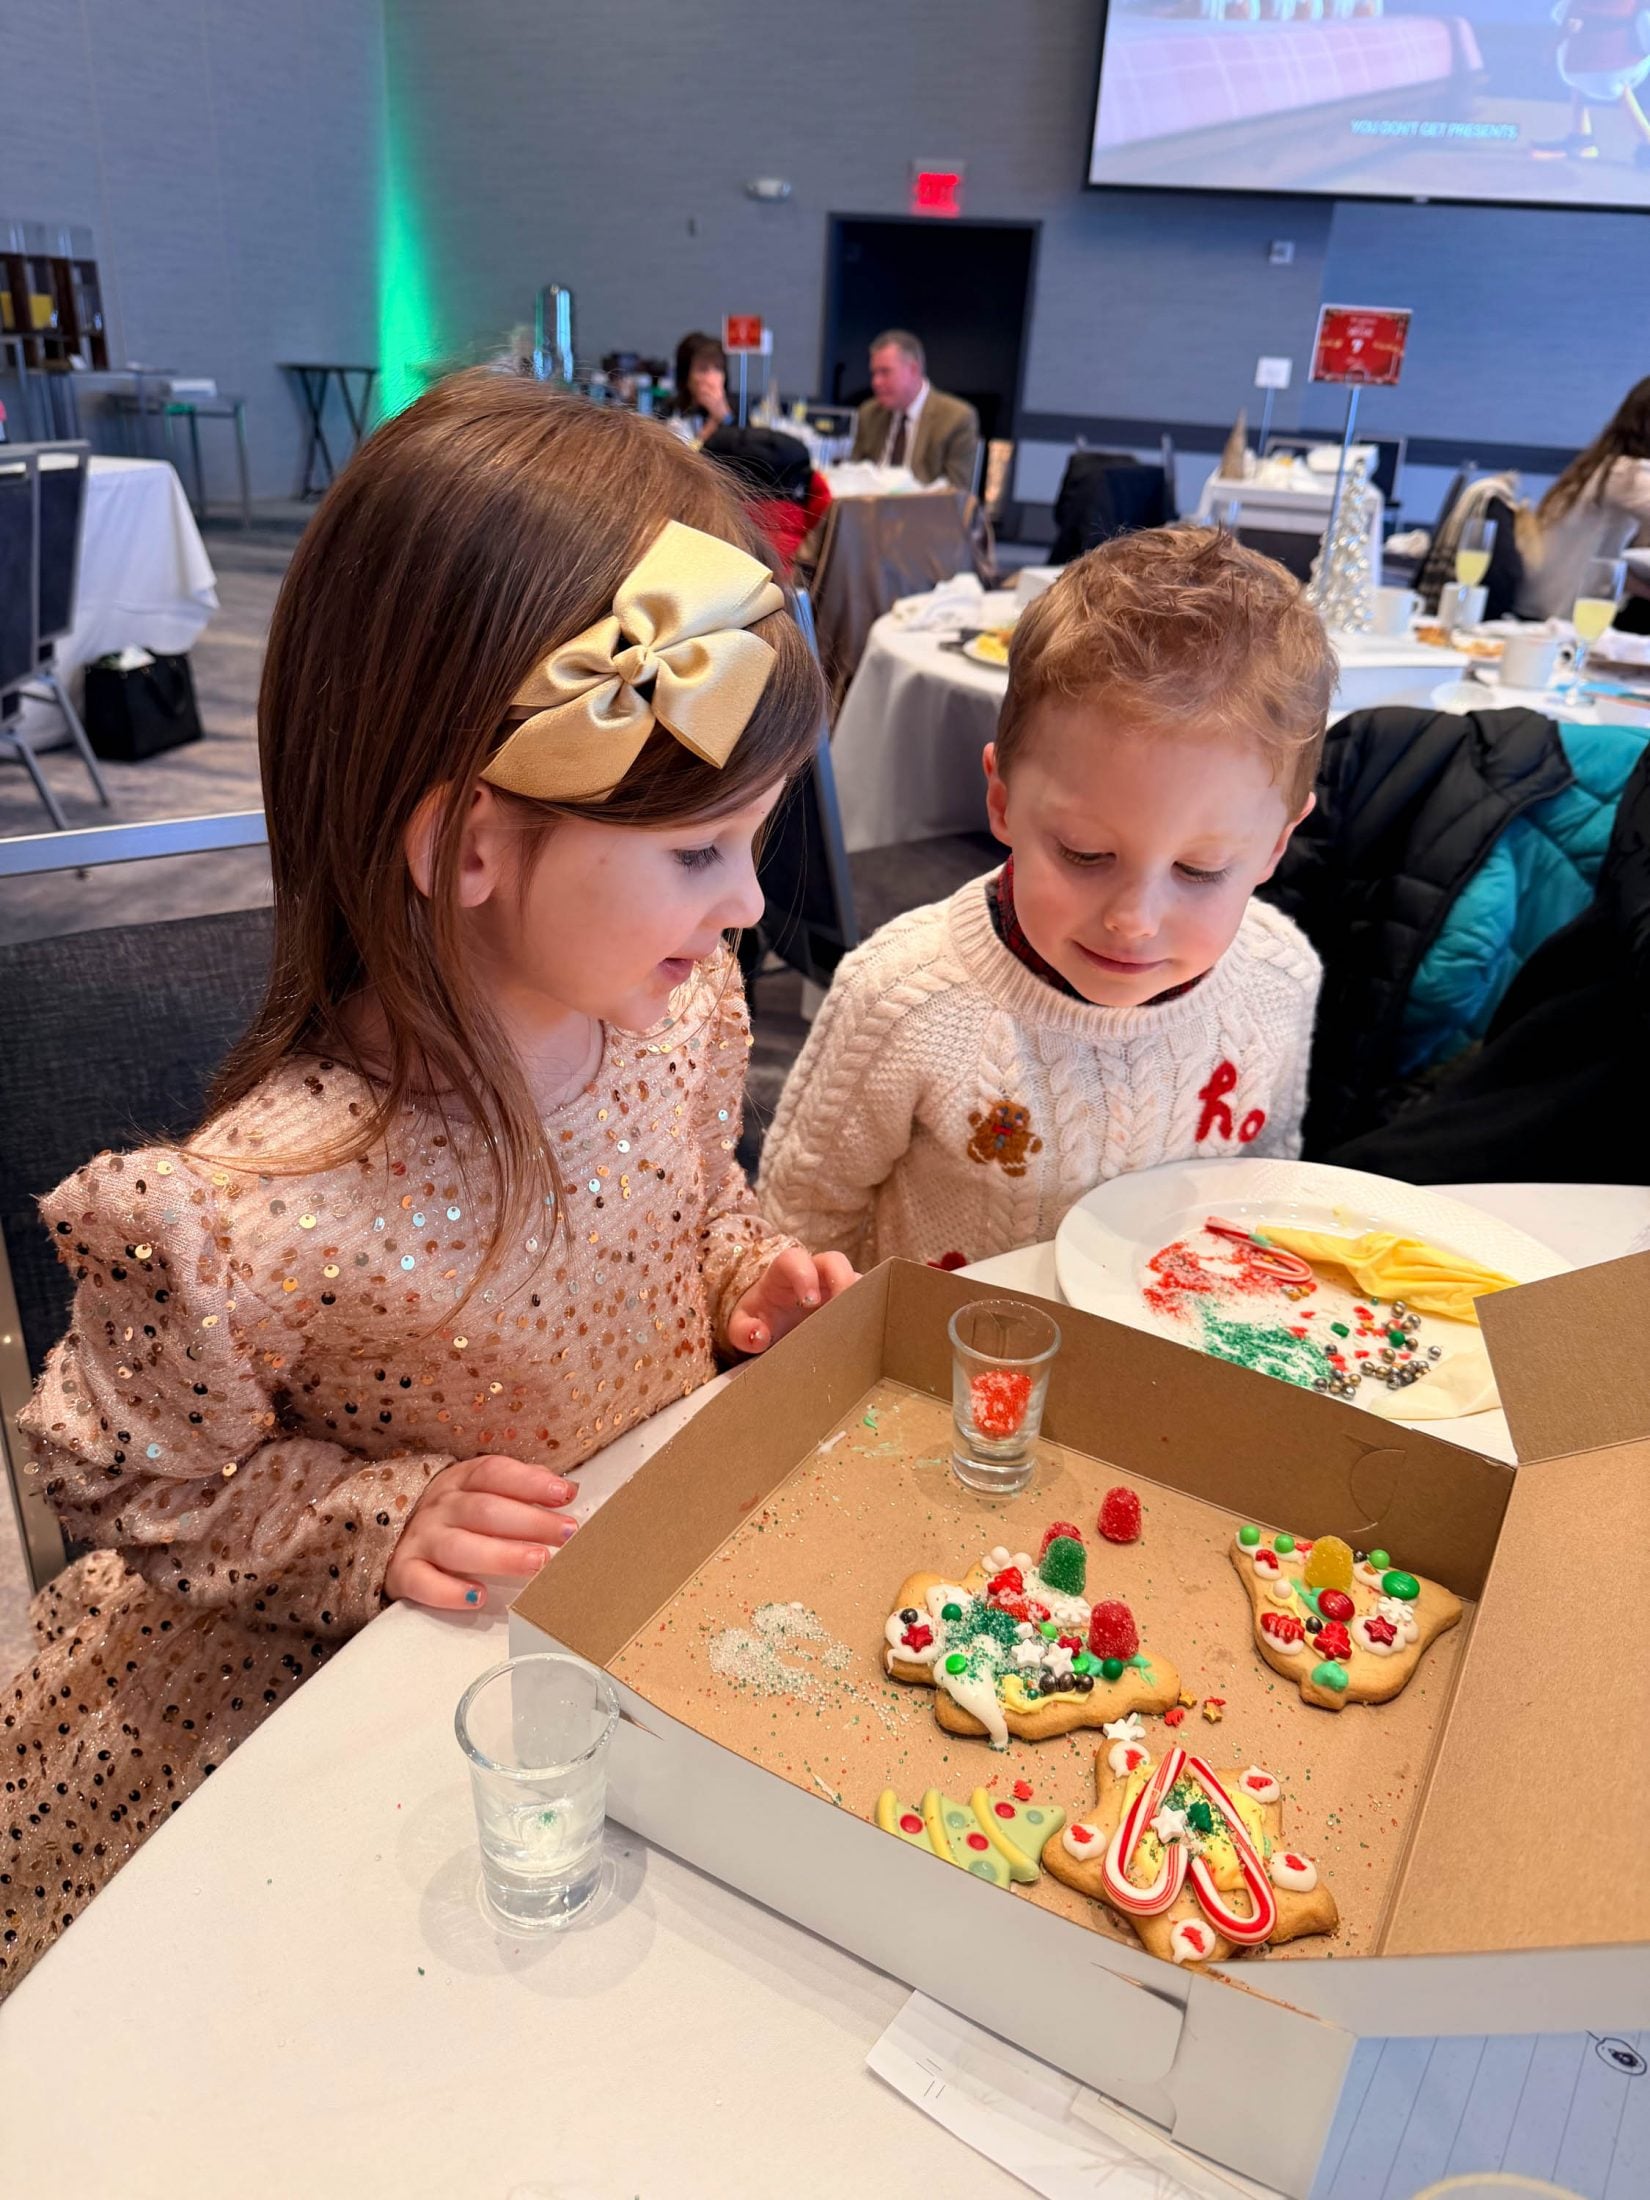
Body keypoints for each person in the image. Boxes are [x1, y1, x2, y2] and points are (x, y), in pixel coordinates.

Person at [0, 375, 855, 1993]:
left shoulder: (672, 1022)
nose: (749, 903)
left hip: (595, 1628)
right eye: (698, 851)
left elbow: (693, 1207)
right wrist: (372, 1517)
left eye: (749, 844)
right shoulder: (246, 1216)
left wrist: (745, 1275)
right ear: (469, 844)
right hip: (316, 1719)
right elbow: (129, 1491)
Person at [757, 526, 1333, 1269]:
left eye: (1201, 869)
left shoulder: (1280, 979)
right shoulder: (901, 1001)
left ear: (1277, 845)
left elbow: (1266, 1183)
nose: (1134, 920)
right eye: (1085, 854)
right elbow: (804, 1219)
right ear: (1002, 801)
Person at [1516, 376, 1650, 625]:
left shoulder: (1601, 466)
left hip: (1538, 609)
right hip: (1557, 621)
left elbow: (1612, 567)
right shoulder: (1628, 473)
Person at [848, 330, 980, 492]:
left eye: (885, 372)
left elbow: (955, 493)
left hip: (925, 507)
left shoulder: (956, 417)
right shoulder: (869, 413)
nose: (876, 382)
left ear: (913, 370)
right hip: (870, 505)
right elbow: (854, 476)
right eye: (874, 373)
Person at [702, 422, 832, 579]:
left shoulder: (716, 456)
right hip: (790, 578)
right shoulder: (799, 463)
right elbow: (822, 501)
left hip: (732, 574)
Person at [666, 330, 733, 446]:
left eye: (718, 368)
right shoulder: (668, 411)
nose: (712, 378)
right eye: (703, 369)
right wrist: (712, 424)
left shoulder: (739, 412)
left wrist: (725, 418)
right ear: (686, 375)